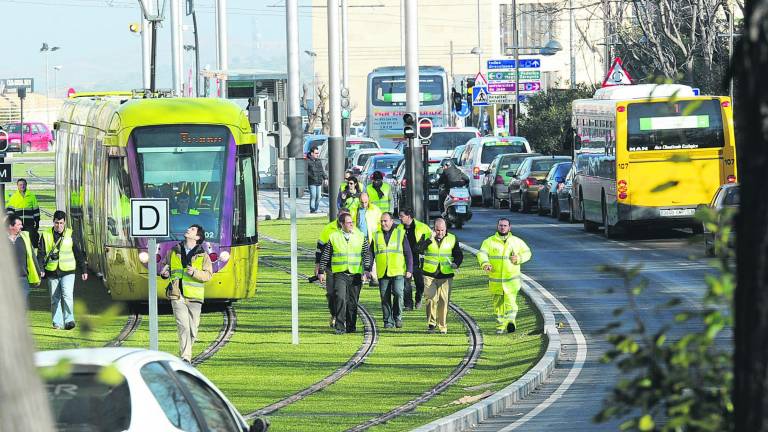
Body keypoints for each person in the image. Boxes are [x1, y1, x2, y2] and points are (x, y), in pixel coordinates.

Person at [160, 224, 213, 363]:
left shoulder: (203, 255)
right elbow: (166, 266)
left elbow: (208, 275)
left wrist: (194, 272)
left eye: (192, 229)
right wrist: (164, 273)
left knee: (193, 330)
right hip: (177, 294)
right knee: (183, 326)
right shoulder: (173, 251)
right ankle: (185, 357)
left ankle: (186, 352)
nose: (188, 230)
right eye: (189, 228)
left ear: (197, 237)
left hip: (195, 296)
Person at [318, 213, 371, 335]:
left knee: (352, 302)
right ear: (342, 224)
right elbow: (326, 255)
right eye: (348, 222)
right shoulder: (334, 237)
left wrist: (367, 269)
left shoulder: (360, 236)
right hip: (340, 273)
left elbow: (366, 254)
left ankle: (351, 326)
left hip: (355, 273)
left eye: (352, 222)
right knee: (340, 298)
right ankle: (340, 326)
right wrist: (321, 271)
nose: (351, 224)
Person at [477, 218, 532, 334]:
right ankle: (500, 326)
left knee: (511, 303)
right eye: (501, 225)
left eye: (505, 225)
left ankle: (511, 322)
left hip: (511, 281)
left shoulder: (516, 241)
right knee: (498, 304)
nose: (503, 227)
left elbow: (528, 253)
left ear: (509, 227)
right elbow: (482, 253)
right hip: (495, 280)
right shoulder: (489, 241)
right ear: (497, 227)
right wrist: (485, 264)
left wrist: (519, 258)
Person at [38, 211, 88, 329]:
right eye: (56, 223)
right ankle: (57, 322)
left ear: (65, 222)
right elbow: (40, 254)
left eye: (61, 223)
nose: (59, 226)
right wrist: (41, 268)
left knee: (67, 296)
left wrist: (84, 270)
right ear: (53, 222)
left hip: (68, 271)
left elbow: (78, 254)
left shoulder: (71, 234)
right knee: (54, 298)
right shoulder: (45, 235)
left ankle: (69, 320)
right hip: (52, 271)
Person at [420, 218, 463, 334]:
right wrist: (429, 240)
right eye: (437, 230)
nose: (440, 233)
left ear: (446, 229)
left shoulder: (452, 238)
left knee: (444, 300)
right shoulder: (426, 236)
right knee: (431, 298)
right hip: (429, 274)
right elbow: (418, 249)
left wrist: (456, 264)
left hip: (446, 275)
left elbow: (458, 254)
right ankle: (431, 323)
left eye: (442, 230)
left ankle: (442, 326)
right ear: (434, 229)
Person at [371, 212, 413, 329]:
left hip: (398, 270)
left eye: (385, 221)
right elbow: (370, 253)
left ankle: (398, 317)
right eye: (382, 221)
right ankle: (388, 321)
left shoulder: (400, 233)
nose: (383, 223)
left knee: (399, 293)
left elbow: (408, 252)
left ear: (391, 221)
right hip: (383, 271)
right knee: (385, 297)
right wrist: (368, 269)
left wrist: (409, 269)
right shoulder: (376, 235)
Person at [315, 208, 352, 328]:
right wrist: (318, 266)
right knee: (331, 294)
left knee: (344, 296)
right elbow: (320, 248)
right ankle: (334, 314)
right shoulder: (329, 228)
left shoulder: (353, 230)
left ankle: (343, 319)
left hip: (346, 269)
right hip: (331, 268)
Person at [398, 208, 432, 310]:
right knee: (406, 284)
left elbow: (430, 240)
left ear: (408, 216)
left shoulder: (422, 227)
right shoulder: (399, 228)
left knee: (420, 283)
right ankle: (408, 304)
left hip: (418, 259)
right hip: (405, 260)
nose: (399, 218)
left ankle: (418, 299)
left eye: (402, 216)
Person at [7, 215, 42, 299]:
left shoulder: (25, 238)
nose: (22, 226)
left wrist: (38, 275)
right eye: (19, 224)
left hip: (22, 279)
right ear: (11, 226)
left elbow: (32, 256)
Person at [6, 178, 41, 247]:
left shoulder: (31, 196)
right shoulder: (14, 197)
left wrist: (37, 222)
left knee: (31, 238)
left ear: (26, 185)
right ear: (17, 186)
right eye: (20, 185)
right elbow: (10, 211)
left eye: (23, 184)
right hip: (18, 224)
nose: (22, 186)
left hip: (29, 224)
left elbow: (36, 210)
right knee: (18, 240)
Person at [306, 145, 327, 213]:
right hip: (312, 182)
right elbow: (305, 172)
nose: (317, 155)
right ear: (312, 153)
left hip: (319, 181)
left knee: (319, 197)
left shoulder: (318, 161)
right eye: (316, 153)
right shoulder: (307, 161)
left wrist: (325, 178)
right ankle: (312, 209)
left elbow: (322, 170)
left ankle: (316, 209)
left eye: (318, 153)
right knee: (313, 196)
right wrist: (311, 176)